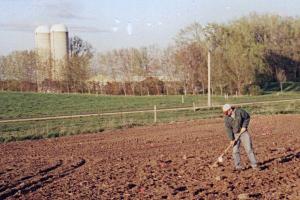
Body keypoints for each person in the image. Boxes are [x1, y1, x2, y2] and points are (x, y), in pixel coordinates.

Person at [222, 104, 258, 171]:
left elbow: (247, 117)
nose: (226, 114)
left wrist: (244, 126)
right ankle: (238, 166)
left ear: (230, 109)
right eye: (225, 113)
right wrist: (231, 139)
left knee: (249, 149)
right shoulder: (227, 118)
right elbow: (228, 129)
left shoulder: (240, 112)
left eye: (226, 112)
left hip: (243, 132)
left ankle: (254, 165)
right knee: (235, 151)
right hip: (235, 134)